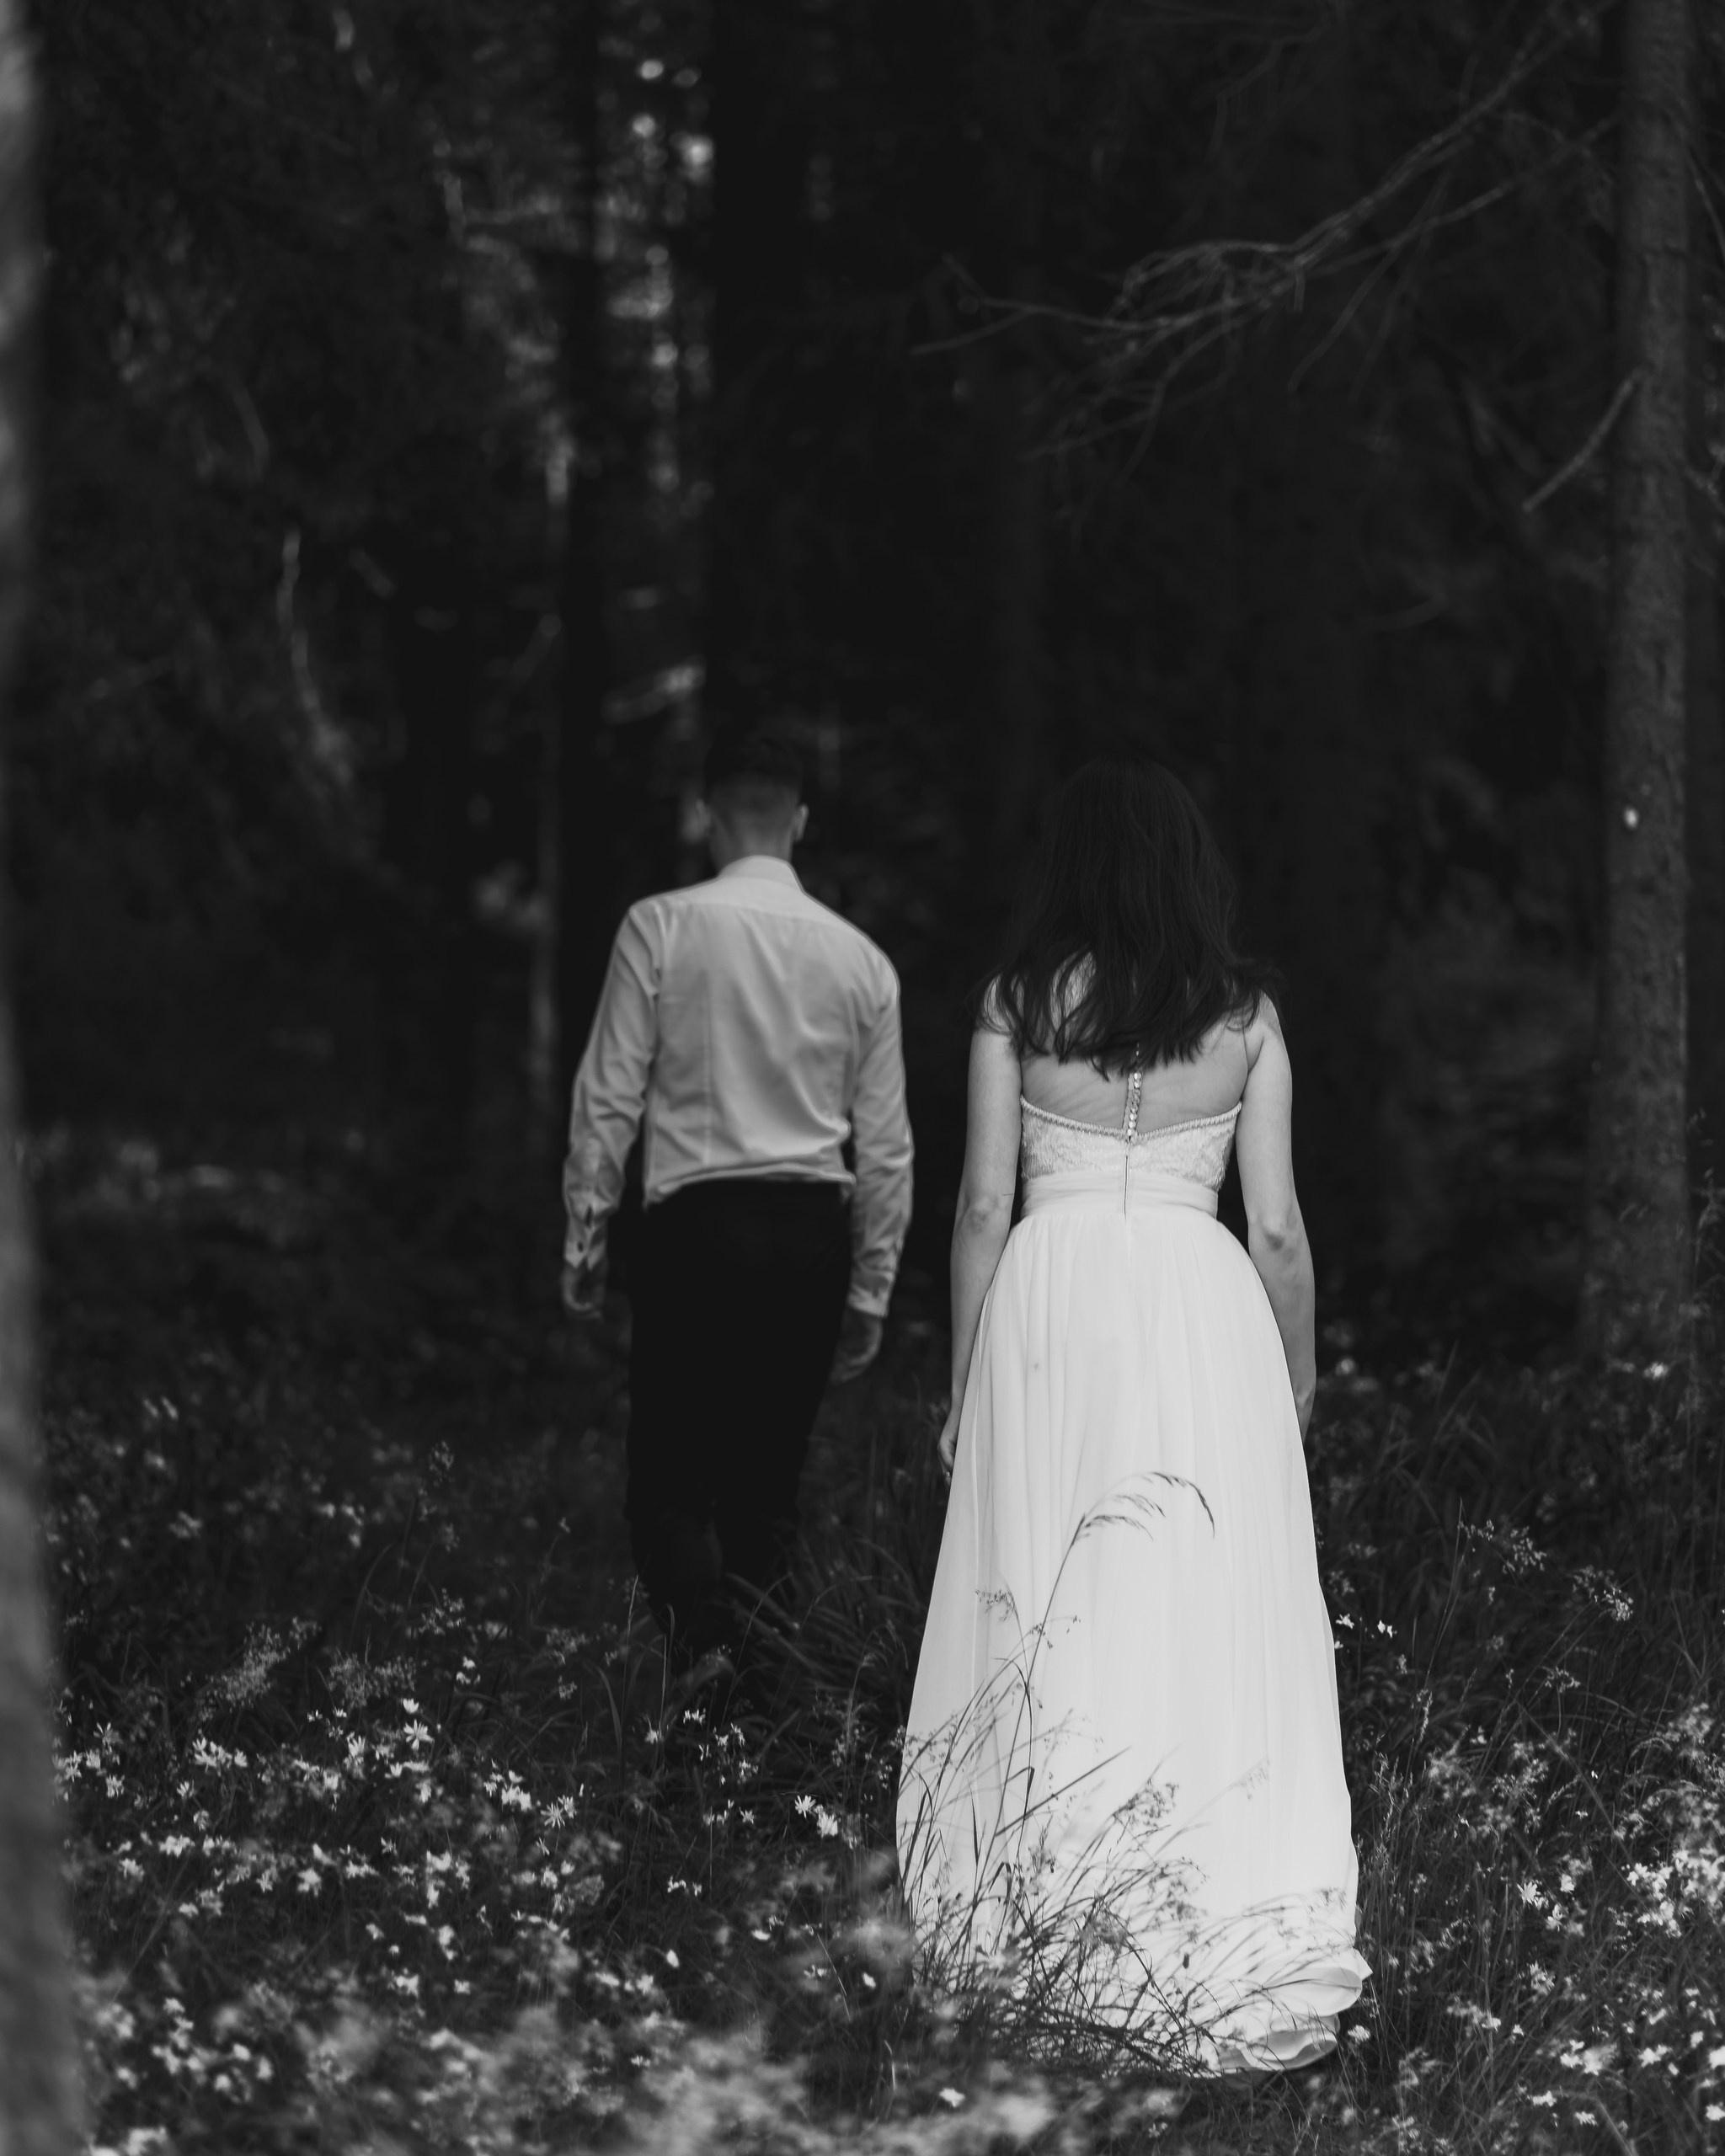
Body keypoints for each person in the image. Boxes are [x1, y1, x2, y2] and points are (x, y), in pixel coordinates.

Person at [896, 756, 1367, 2075]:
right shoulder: (1247, 1016)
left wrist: (965, 1378)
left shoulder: (1016, 1003)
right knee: (1193, 1585)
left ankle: (1044, 1898)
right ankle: (1206, 1886)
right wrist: (1299, 1374)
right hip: (1198, 1309)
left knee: (1051, 1579)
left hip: (1053, 1306)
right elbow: (1273, 1224)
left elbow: (984, 1206)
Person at [562, 726, 914, 1664]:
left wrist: (586, 1237)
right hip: (809, 1233)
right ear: (798, 821)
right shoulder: (861, 962)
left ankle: (711, 1675)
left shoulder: (660, 927)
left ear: (700, 815)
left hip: (696, 1225)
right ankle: (757, 1736)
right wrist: (870, 1289)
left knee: (669, 1489)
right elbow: (884, 1148)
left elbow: (607, 1098)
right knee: (767, 1497)